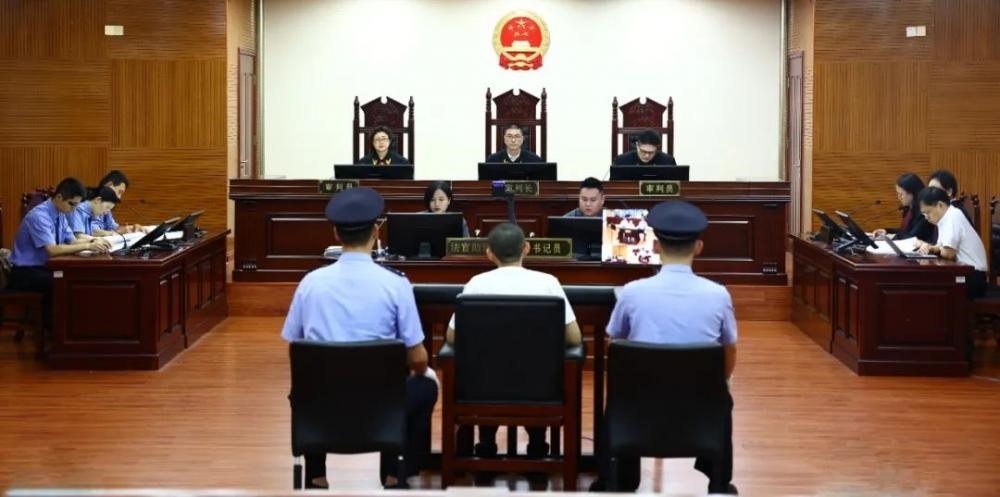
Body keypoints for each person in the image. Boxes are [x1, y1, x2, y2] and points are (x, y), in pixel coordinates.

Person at [280, 187, 437, 489]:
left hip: (322, 404)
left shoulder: (310, 283)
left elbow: (296, 350)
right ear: (376, 232)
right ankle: (395, 475)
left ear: (336, 234)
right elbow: (418, 359)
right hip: (383, 405)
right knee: (425, 386)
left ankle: (316, 476)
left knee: (305, 383)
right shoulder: (396, 284)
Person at [589, 200, 738, 495]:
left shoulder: (631, 293)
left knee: (621, 393)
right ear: (699, 247)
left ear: (656, 246)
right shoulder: (718, 295)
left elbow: (613, 347)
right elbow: (728, 352)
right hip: (700, 409)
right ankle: (719, 482)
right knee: (722, 396)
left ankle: (616, 480)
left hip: (636, 409)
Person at [445, 223, 582, 483]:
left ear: (489, 253)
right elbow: (574, 337)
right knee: (535, 369)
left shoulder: (477, 284)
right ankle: (537, 449)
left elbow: (452, 336)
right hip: (541, 388)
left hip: (483, 388)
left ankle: (486, 447)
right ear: (526, 248)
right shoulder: (548, 283)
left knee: (487, 367)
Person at [9, 177, 112, 329]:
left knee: (78, 278)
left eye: (76, 205)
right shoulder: (39, 216)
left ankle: (71, 329)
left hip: (43, 268)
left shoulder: (60, 213)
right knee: (66, 283)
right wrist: (88, 246)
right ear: (59, 197)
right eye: (71, 204)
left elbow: (72, 241)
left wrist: (93, 242)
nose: (73, 209)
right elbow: (52, 250)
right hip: (25, 272)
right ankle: (60, 332)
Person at [915, 186, 989, 299]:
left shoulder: (952, 217)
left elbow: (948, 253)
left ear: (940, 205)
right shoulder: (946, 217)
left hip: (973, 277)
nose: (926, 217)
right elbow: (942, 247)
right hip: (966, 272)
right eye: (924, 214)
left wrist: (935, 248)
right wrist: (931, 247)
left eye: (928, 212)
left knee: (927, 286)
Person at [872, 172, 934, 242]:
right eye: (898, 194)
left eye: (901, 194)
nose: (899, 197)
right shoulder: (908, 209)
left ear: (912, 193)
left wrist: (890, 238)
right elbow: (905, 231)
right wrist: (887, 231)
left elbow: (911, 237)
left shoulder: (924, 212)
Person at [94, 170, 143, 235]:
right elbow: (92, 232)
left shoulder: (107, 206)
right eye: (119, 192)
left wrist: (131, 228)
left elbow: (114, 227)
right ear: (109, 185)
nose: (119, 197)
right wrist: (115, 233)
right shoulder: (89, 203)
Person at [613, 129, 677, 165]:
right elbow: (612, 184)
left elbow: (678, 183)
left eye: (651, 152)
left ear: (657, 149)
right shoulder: (621, 161)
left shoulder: (668, 162)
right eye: (643, 151)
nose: (647, 156)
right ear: (637, 146)